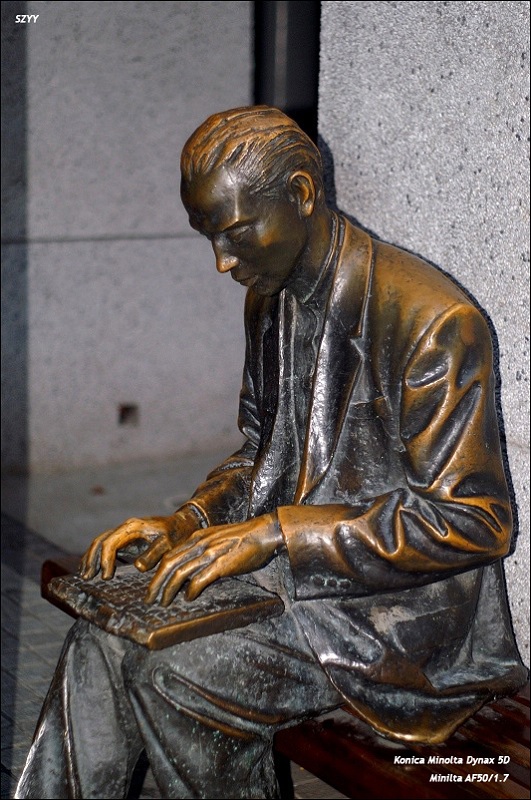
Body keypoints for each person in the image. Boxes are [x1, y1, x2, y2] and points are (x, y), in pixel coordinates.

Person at [15, 106, 527, 799]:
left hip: (395, 625)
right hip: (288, 583)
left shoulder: (430, 321)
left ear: (301, 193)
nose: (222, 260)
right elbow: (260, 453)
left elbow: (474, 520)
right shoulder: (268, 298)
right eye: (208, 236)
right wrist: (189, 522)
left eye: (235, 231)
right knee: (101, 637)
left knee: (174, 674)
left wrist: (274, 535)